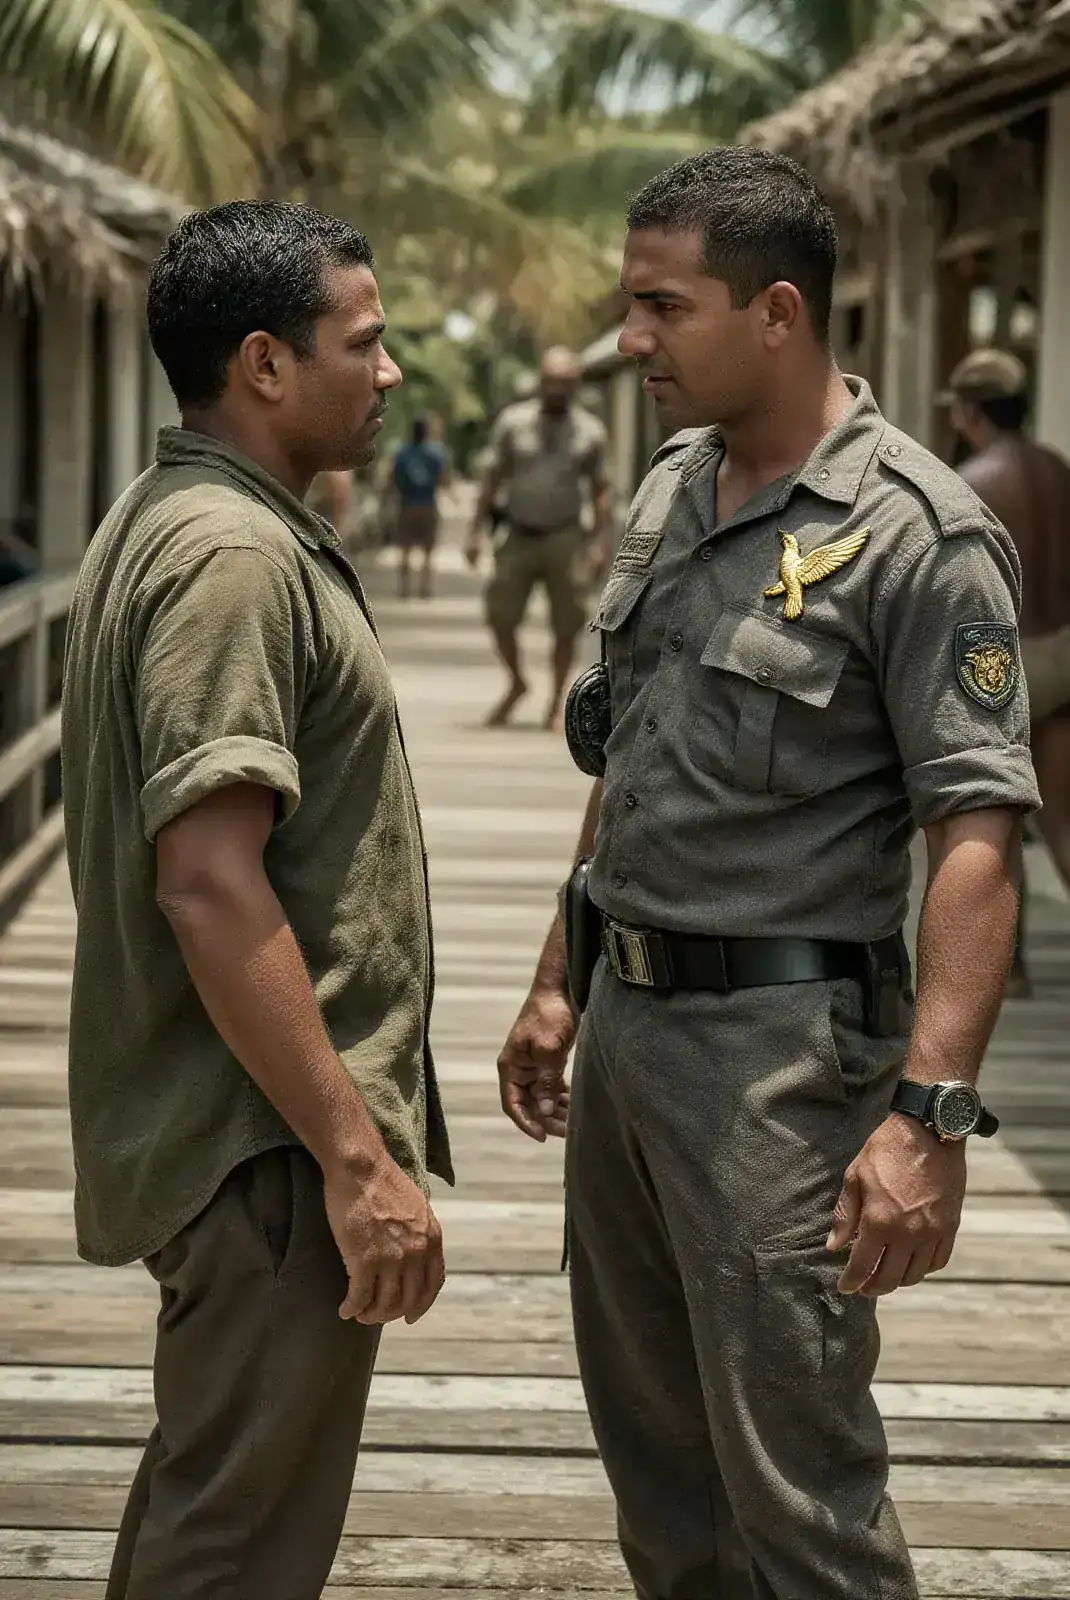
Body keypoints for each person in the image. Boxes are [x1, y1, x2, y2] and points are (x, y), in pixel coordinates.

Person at [497, 148, 1039, 1599]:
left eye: (662, 308)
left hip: (780, 1074)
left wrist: (928, 1120)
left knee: (799, 1493)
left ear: (778, 311)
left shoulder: (921, 539)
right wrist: (560, 975)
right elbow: (635, 746)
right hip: (628, 1032)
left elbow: (979, 834)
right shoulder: (675, 488)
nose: (630, 342)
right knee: (662, 1482)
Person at [60, 200, 453, 1600]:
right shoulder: (232, 557)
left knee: (209, 1513)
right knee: (235, 1554)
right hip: (269, 1150)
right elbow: (212, 884)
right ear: (265, 364)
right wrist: (357, 1164)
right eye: (367, 339)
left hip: (253, 1138)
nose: (391, 370)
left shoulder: (191, 518)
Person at [945, 347, 1070, 997]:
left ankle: (1015, 968)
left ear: (970, 411)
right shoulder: (1062, 471)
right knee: (1060, 818)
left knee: (999, 814)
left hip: (1011, 655)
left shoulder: (971, 479)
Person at [465, 347, 613, 730]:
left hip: (564, 536)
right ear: (540, 381)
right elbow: (492, 477)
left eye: (565, 383)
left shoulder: (590, 431)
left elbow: (601, 489)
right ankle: (517, 681)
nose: (557, 390)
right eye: (551, 382)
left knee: (567, 622)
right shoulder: (514, 423)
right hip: (518, 533)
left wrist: (600, 541)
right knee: (499, 614)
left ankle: (555, 701)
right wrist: (475, 531)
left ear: (576, 385)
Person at [388, 415, 447, 599]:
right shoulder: (435, 453)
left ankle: (404, 588)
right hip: (428, 504)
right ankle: (425, 588)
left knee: (405, 548)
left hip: (407, 505)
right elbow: (442, 479)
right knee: (428, 550)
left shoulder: (403, 453)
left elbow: (393, 479)